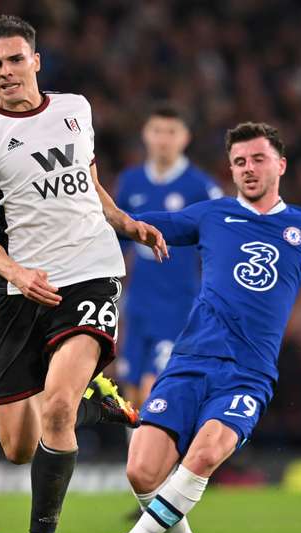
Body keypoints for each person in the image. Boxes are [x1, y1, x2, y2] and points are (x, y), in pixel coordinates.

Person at [66, 122, 301, 533]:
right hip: (188, 361)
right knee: (141, 471)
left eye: (258, 159)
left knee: (203, 455)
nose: (248, 169)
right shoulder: (213, 216)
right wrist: (92, 188)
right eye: (239, 162)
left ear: (280, 164)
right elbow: (130, 223)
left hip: (247, 373)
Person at [0, 15, 168, 533]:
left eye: (15, 60)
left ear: (36, 60)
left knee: (56, 408)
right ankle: (92, 387)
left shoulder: (75, 108)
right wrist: (16, 273)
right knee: (18, 448)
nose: (5, 73)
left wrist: (124, 222)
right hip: (23, 288)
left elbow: (86, 179)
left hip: (92, 270)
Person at [115, 104, 223, 411]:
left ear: (185, 137)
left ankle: (160, 457)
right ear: (145, 135)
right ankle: (135, 458)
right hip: (137, 304)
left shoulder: (201, 187)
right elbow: (115, 239)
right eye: (157, 131)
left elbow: (220, 245)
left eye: (171, 132)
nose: (164, 139)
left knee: (155, 387)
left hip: (178, 305)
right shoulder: (130, 182)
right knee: (130, 392)